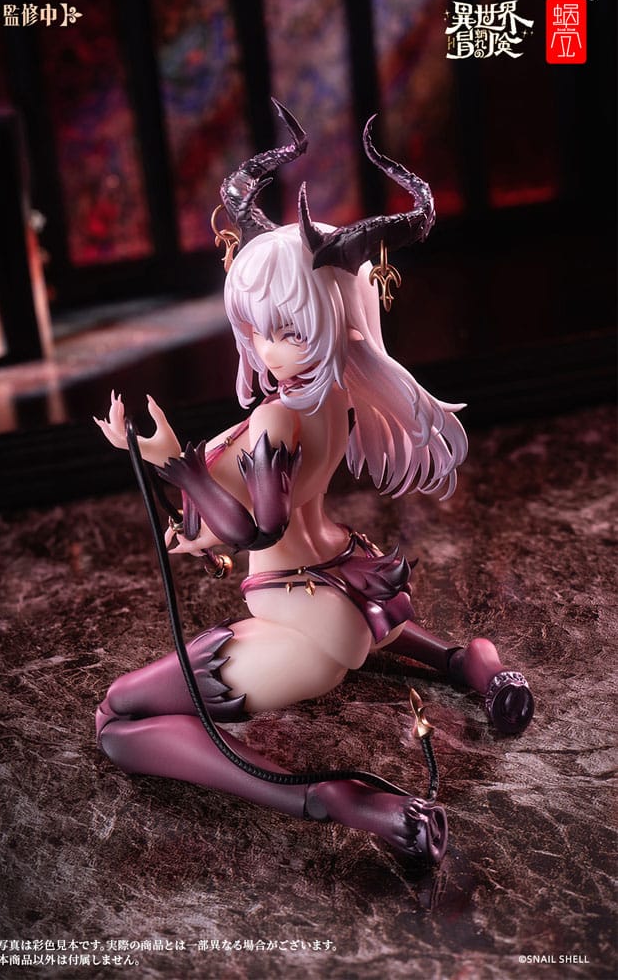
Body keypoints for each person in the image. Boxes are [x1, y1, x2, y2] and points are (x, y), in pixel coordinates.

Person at [93, 103, 532, 865]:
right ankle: (477, 666)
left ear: (334, 318)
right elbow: (263, 507)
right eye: (256, 327)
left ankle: (336, 798)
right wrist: (189, 498)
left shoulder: (277, 417)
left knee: (116, 720)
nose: (266, 348)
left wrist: (172, 464)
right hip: (350, 577)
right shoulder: (330, 396)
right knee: (400, 646)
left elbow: (258, 528)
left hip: (299, 618)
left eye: (287, 329)